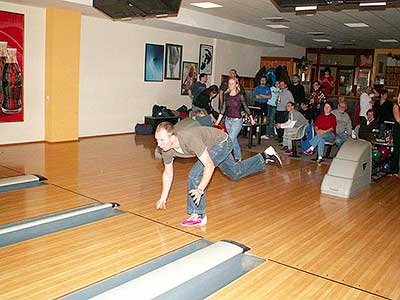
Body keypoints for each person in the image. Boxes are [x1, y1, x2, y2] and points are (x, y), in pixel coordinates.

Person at [155, 122, 282, 226]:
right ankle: (265, 156)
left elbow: (209, 165)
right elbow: (168, 173)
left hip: (221, 142)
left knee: (194, 175)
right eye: (157, 140)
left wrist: (200, 189)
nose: (159, 144)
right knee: (235, 173)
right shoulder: (166, 149)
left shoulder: (189, 139)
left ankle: (198, 215)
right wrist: (163, 197)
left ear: (172, 137)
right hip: (210, 146)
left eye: (162, 140)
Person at [215, 78, 255, 162]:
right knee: (234, 140)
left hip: (237, 121)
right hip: (228, 121)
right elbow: (223, 109)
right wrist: (217, 122)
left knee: (230, 139)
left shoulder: (240, 95)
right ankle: (238, 157)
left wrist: (251, 119)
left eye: (233, 83)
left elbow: (246, 107)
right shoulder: (226, 95)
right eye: (229, 83)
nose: (230, 85)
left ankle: (222, 156)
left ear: (237, 85)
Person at [391, 98, 400, 176]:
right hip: (398, 130)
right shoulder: (396, 106)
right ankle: (394, 170)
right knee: (397, 150)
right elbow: (398, 119)